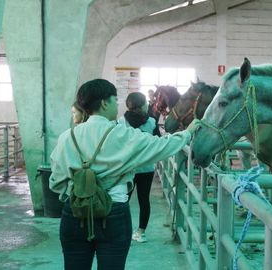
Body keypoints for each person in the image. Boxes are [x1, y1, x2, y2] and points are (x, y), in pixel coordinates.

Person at [49, 79, 199, 270]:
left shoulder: (66, 138)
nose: (116, 104)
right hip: (113, 213)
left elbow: (55, 181)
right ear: (104, 103)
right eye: (114, 100)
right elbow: (160, 146)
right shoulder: (121, 135)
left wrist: (77, 191)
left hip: (75, 212)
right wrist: (188, 133)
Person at [117, 92, 155, 243]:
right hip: (146, 168)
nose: (148, 105)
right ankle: (141, 232)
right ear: (141, 105)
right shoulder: (151, 122)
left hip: (128, 168)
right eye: (146, 102)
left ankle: (122, 231)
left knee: (123, 199)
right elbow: (157, 142)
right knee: (144, 200)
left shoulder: (120, 123)